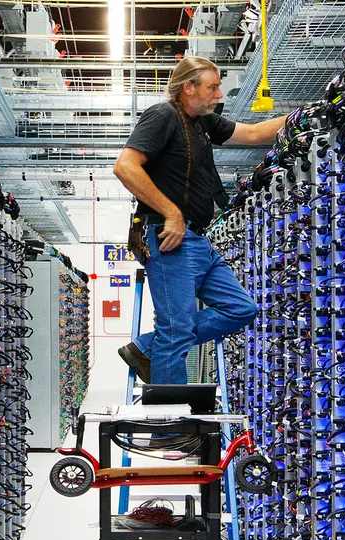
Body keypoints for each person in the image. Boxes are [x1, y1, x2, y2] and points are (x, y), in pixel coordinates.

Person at [113, 56, 286, 384]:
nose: (219, 94)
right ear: (188, 88)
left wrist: (300, 117)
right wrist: (171, 212)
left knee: (241, 309)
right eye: (213, 87)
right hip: (168, 236)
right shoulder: (163, 115)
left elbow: (251, 134)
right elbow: (125, 167)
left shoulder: (202, 121)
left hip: (196, 239)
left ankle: (146, 348)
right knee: (175, 331)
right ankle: (169, 430)